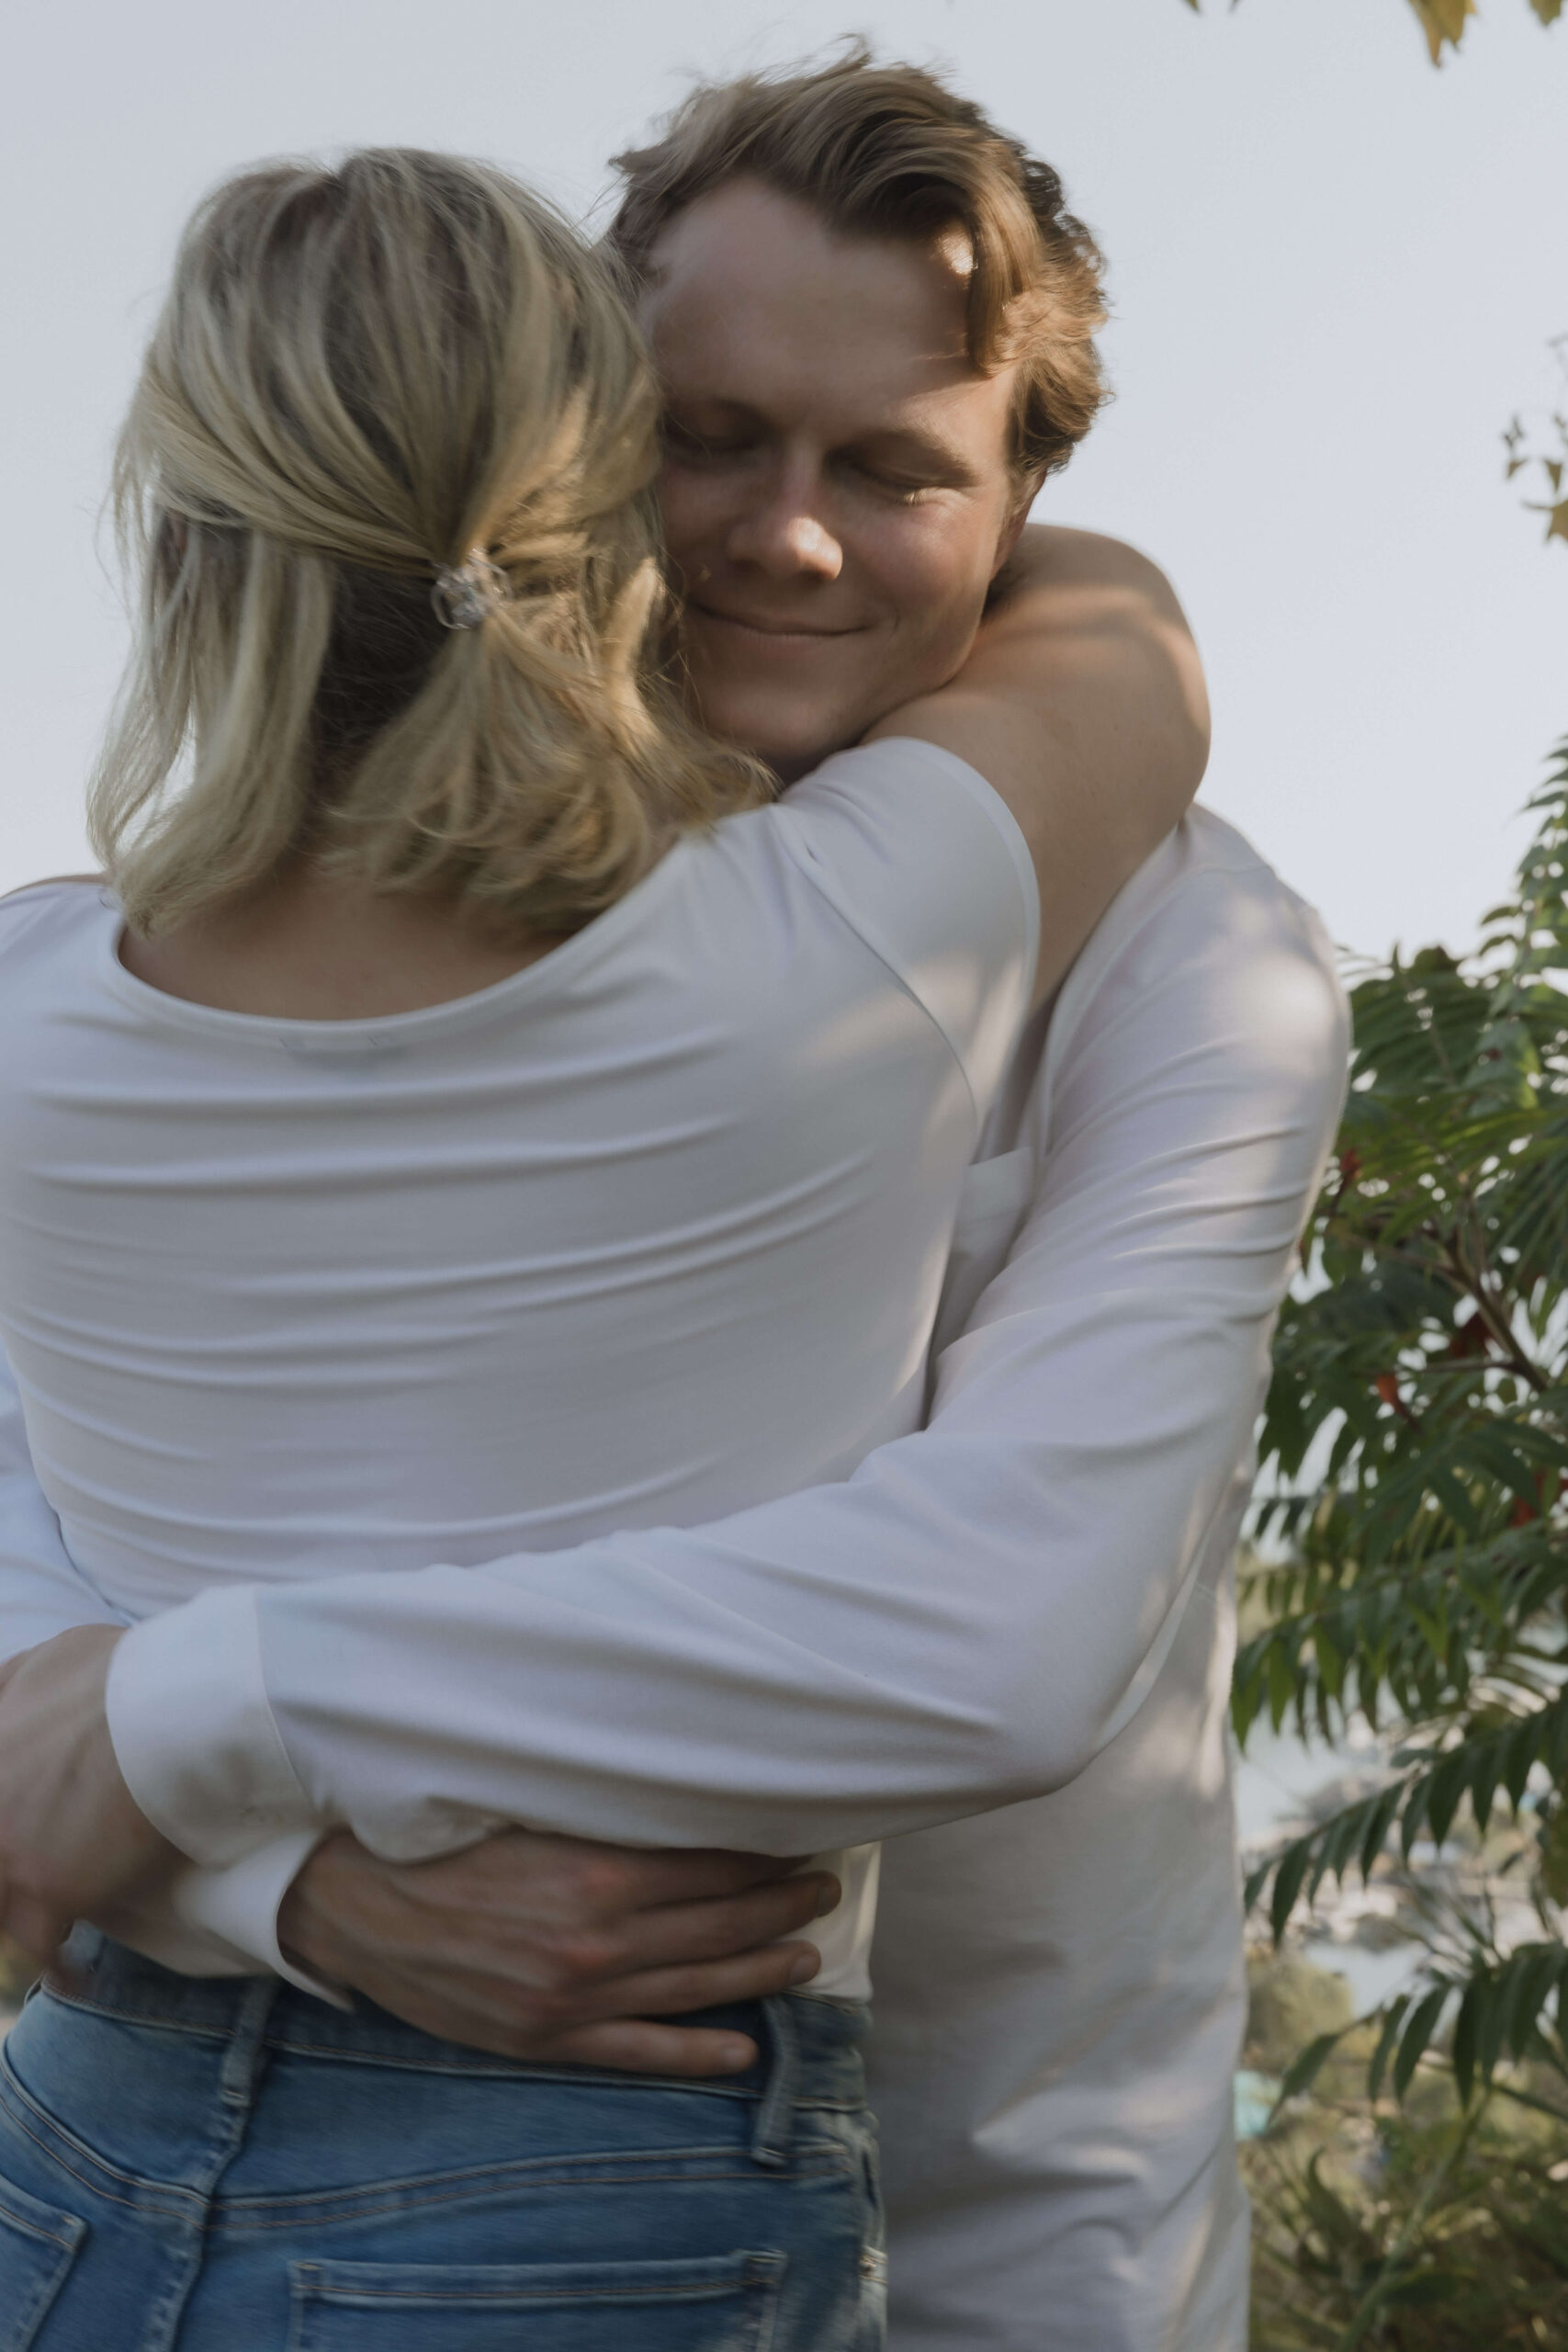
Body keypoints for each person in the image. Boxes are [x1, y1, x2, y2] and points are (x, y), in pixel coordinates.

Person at [0, 57, 1348, 2352]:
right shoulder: (297, 936)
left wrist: (184, 1740)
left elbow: (998, 1599)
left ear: (1018, 508)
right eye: (713, 435)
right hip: (237, 2120)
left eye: (896, 470)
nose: (789, 538)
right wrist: (298, 1888)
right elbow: (48, 1497)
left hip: (1006, 2223)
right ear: (577, 438)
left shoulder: (1187, 954)